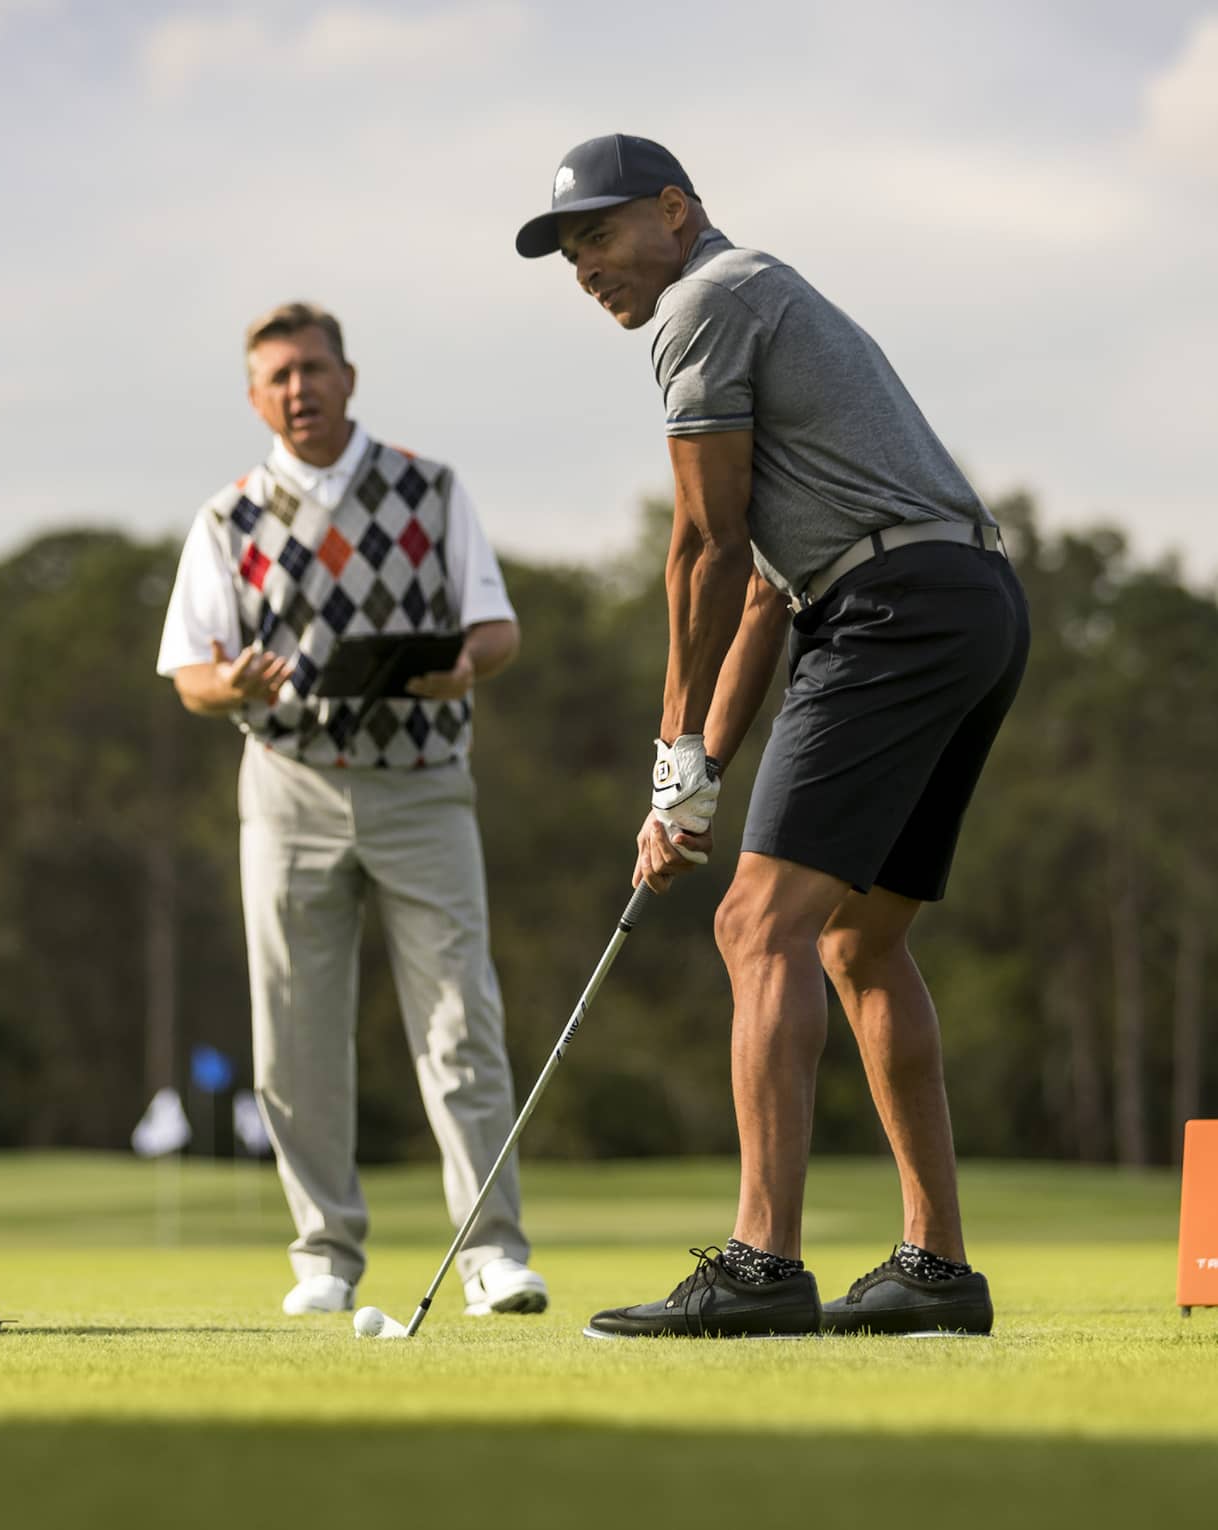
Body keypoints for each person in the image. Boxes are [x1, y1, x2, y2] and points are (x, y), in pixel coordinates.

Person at [516, 136, 1029, 1339]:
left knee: (756, 924)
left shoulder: (702, 303)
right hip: (966, 605)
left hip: (892, 613)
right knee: (856, 942)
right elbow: (760, 588)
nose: (584, 266)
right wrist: (693, 779)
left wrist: (667, 752)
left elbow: (701, 544)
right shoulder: (765, 297)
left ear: (677, 211)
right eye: (568, 250)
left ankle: (761, 1266)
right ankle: (936, 1270)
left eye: (598, 235)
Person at [156, 301, 547, 1318]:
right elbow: (188, 674)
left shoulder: (429, 487)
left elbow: (495, 628)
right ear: (254, 397)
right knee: (294, 1036)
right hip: (287, 789)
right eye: (278, 376)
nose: (300, 389)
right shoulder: (225, 517)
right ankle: (324, 1256)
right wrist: (231, 682)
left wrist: (464, 667)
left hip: (422, 784)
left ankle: (492, 1254)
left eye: (314, 369)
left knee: (462, 1021)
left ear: (349, 376)